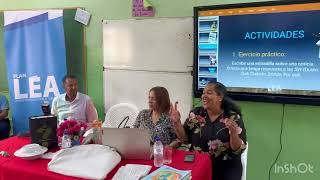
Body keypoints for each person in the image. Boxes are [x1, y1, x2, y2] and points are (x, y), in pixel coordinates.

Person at [171, 82, 247, 180]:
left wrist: (233, 133)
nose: (204, 96)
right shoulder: (196, 113)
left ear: (220, 97)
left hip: (224, 169)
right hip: (198, 165)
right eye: (203, 93)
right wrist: (177, 122)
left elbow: (238, 149)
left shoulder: (233, 117)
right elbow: (184, 139)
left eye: (209, 93)